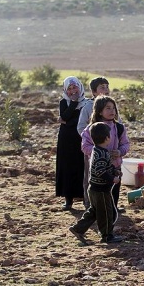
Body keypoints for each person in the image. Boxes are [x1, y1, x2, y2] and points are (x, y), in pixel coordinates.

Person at [69, 122, 124, 244]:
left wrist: (114, 171)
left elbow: (104, 166)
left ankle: (78, 229)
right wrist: (112, 179)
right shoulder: (101, 153)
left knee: (94, 211)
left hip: (93, 188)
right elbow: (100, 171)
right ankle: (107, 235)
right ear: (107, 138)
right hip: (100, 190)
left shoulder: (97, 150)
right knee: (106, 212)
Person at [81, 96, 130, 212]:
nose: (112, 111)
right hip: (98, 167)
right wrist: (99, 152)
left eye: (113, 108)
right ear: (99, 111)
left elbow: (126, 144)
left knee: (114, 189)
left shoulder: (119, 127)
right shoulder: (91, 129)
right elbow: (85, 146)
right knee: (99, 190)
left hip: (115, 165)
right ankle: (96, 211)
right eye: (108, 108)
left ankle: (113, 210)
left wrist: (119, 152)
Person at [77, 77, 111, 209]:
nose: (106, 90)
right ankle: (89, 203)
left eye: (107, 86)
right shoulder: (88, 107)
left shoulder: (111, 105)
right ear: (94, 92)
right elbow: (81, 127)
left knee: (109, 175)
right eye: (102, 87)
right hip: (93, 150)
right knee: (90, 175)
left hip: (109, 149)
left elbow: (117, 125)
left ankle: (109, 203)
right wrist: (91, 142)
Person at [56, 76, 88, 211]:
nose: (72, 91)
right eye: (69, 88)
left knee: (82, 168)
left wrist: (67, 121)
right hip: (66, 141)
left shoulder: (87, 103)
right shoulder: (64, 102)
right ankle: (68, 200)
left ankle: (85, 199)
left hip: (82, 139)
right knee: (67, 168)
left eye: (74, 87)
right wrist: (73, 104)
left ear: (79, 87)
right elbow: (64, 116)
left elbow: (80, 122)